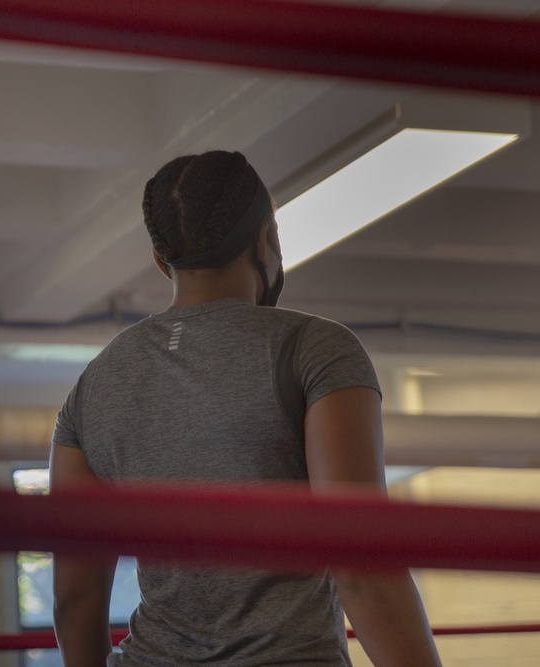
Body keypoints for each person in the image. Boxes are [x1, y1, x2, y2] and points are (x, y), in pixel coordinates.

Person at [49, 151, 441, 667]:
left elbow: (74, 597)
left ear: (160, 259)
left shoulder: (95, 382)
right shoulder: (314, 348)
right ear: (266, 240)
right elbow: (362, 571)